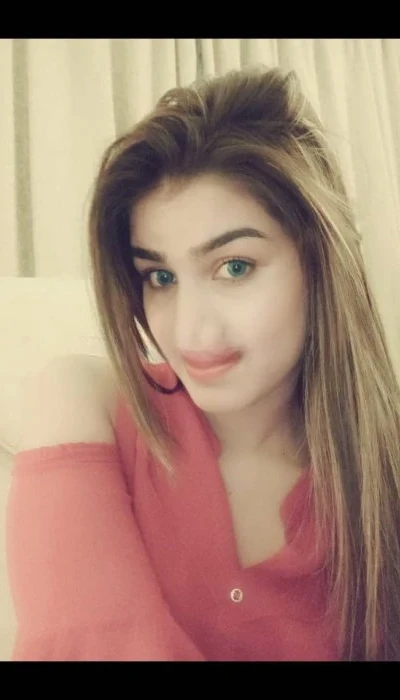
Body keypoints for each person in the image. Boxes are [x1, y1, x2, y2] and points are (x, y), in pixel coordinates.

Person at [6, 65, 400, 661]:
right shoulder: (85, 406)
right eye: (160, 277)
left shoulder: (379, 480)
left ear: (322, 263)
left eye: (234, 267)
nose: (189, 330)